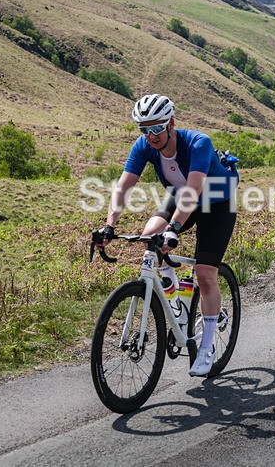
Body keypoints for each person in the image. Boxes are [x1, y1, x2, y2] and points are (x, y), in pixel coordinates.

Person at [95, 94, 239, 377]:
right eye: (144, 130)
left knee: (206, 273)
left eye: (156, 128)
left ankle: (207, 346)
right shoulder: (144, 146)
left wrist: (173, 228)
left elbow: (194, 189)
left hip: (216, 203)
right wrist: (109, 225)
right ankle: (176, 301)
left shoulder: (198, 142)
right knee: (150, 240)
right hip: (181, 198)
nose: (151, 136)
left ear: (171, 123)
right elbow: (124, 186)